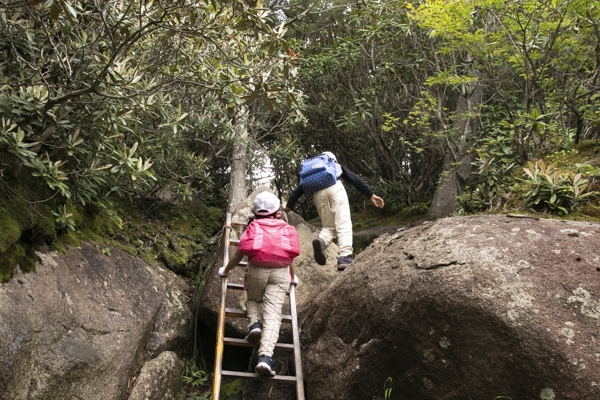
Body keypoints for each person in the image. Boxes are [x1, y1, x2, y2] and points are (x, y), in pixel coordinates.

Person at [218, 191, 300, 377]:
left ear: (256, 211)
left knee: (253, 298)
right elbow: (290, 257)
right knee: (273, 315)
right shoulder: (285, 227)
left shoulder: (253, 226)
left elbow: (240, 254)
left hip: (256, 270)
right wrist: (292, 277)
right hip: (280, 273)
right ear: (277, 210)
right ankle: (265, 358)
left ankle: (254, 324)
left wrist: (226, 270)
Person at [284, 151, 384, 271]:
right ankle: (345, 256)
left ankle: (322, 242)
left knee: (328, 227)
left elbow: (298, 190)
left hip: (318, 194)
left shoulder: (314, 172)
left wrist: (288, 206)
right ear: (333, 159)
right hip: (335, 188)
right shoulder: (333, 165)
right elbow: (353, 179)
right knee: (343, 222)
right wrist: (371, 194)